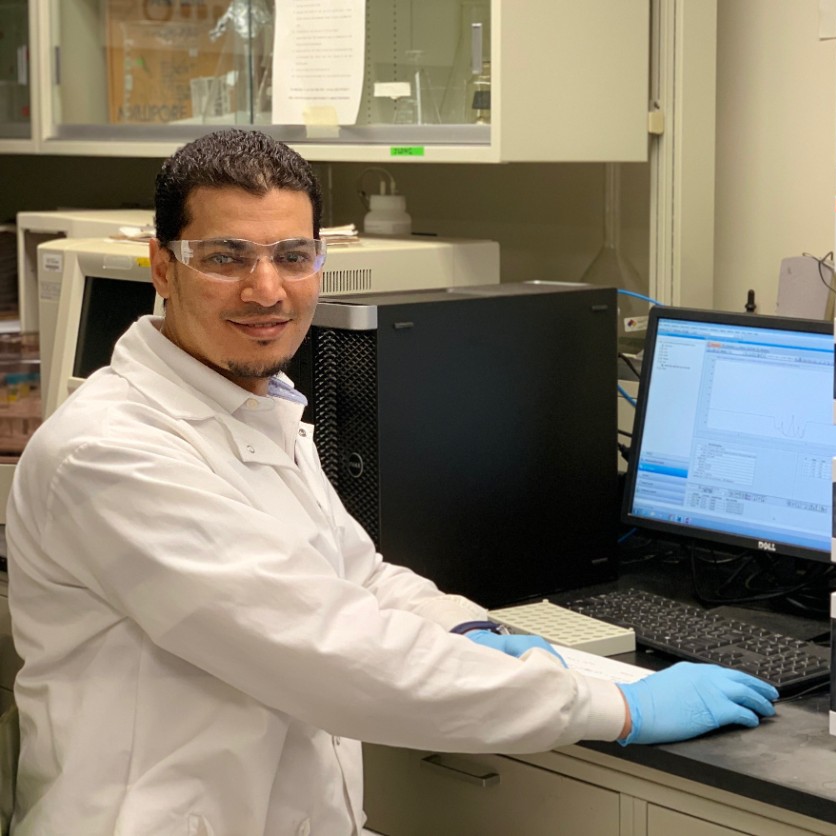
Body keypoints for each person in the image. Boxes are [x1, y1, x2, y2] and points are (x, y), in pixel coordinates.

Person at [5, 129, 778, 835]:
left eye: (293, 256)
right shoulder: (112, 454)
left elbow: (355, 575)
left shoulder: (256, 406)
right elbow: (333, 654)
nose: (266, 290)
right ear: (162, 266)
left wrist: (471, 630)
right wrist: (613, 706)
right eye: (226, 257)